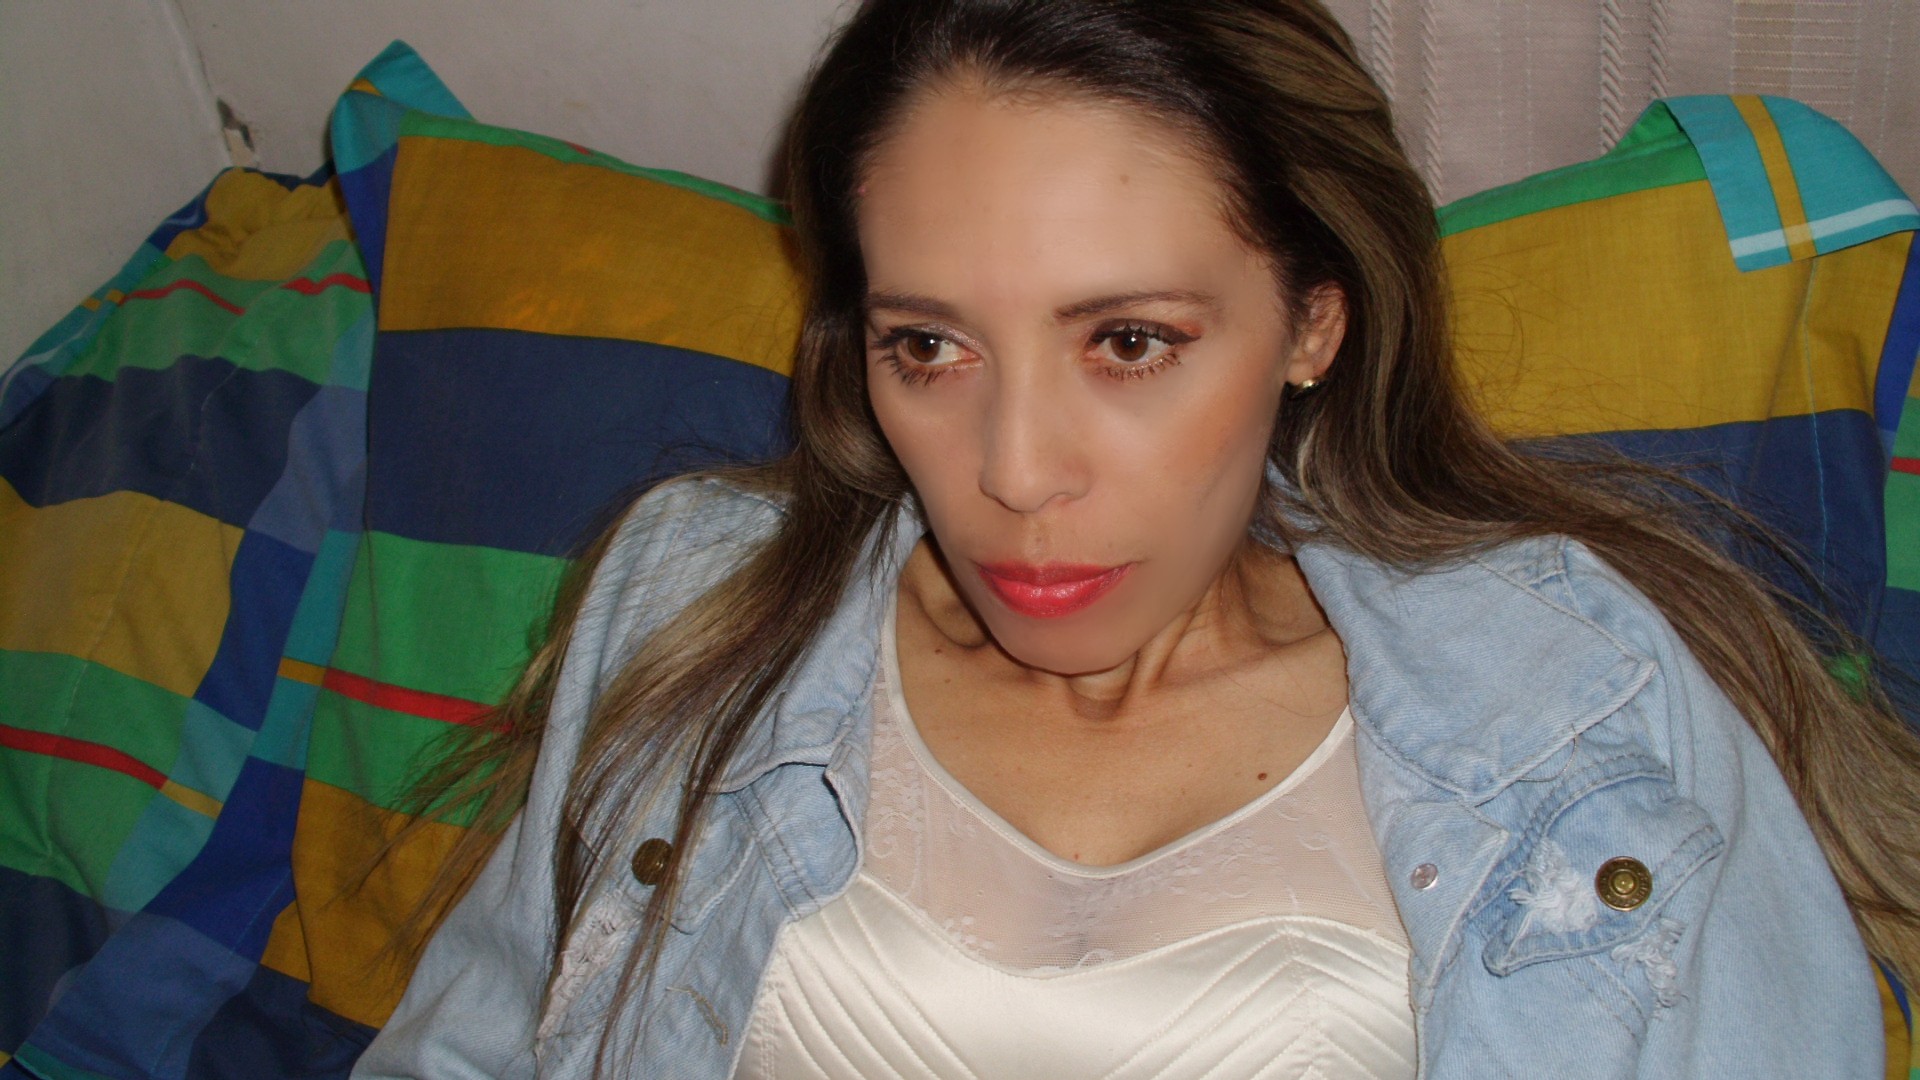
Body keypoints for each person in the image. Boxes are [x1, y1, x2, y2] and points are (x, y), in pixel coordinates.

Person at [352, 0, 1920, 1076]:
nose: (1016, 473)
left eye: (1129, 341)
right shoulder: (697, 601)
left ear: (1313, 323)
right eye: (928, 346)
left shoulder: (1572, 699)